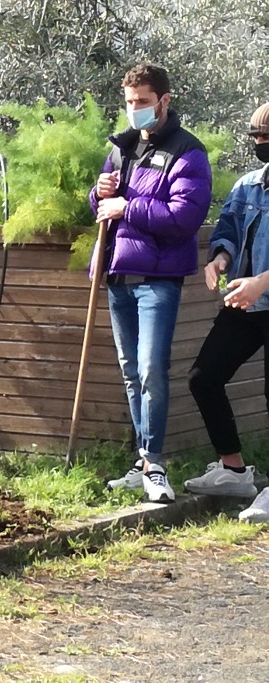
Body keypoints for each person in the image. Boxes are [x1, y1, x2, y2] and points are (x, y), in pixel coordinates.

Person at [93, 63, 212, 503]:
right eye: (128, 103)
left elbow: (184, 219)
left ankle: (155, 463)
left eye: (142, 102)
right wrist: (99, 193)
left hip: (158, 280)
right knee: (129, 372)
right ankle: (140, 461)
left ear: (164, 100)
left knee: (150, 371)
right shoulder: (121, 148)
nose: (134, 111)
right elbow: (104, 208)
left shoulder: (188, 152)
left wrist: (126, 206)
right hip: (118, 273)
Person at [184, 102, 269, 521]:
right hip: (244, 301)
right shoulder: (248, 186)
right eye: (256, 139)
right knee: (204, 378)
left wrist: (261, 282)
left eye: (266, 139)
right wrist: (219, 258)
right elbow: (228, 229)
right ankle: (234, 470)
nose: (260, 145)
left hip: (260, 294)